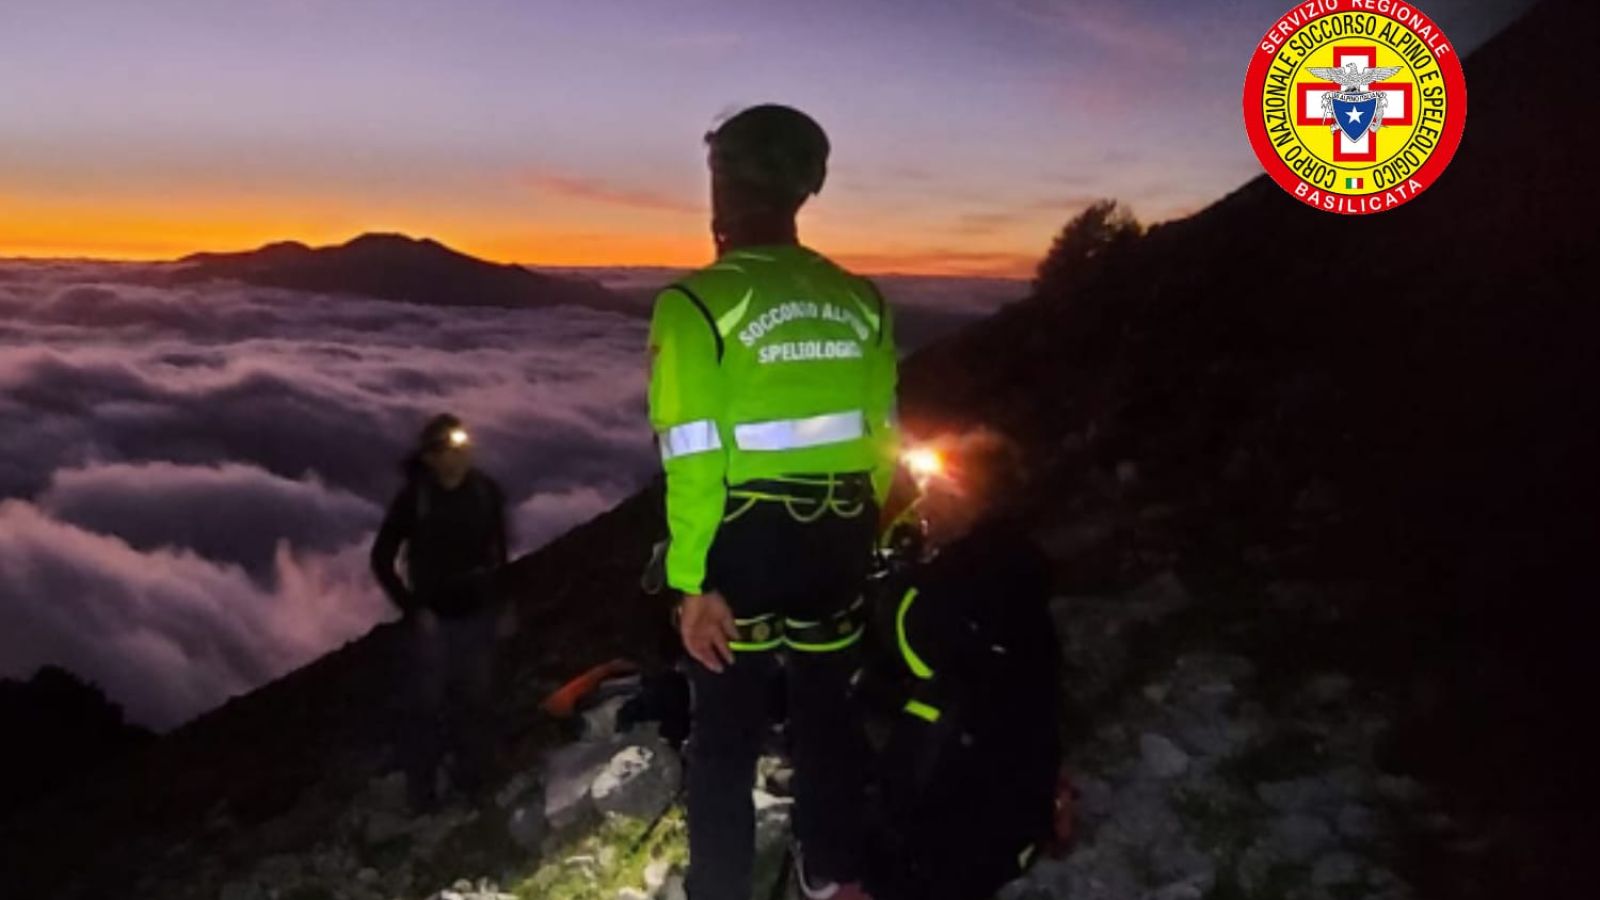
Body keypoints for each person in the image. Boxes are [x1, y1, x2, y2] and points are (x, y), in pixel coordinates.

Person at [648, 104, 900, 900]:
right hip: (841, 534)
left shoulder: (696, 304)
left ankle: (720, 889)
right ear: (802, 190)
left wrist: (692, 583)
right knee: (828, 717)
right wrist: (860, 534)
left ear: (722, 186)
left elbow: (692, 456)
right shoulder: (862, 300)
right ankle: (834, 873)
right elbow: (884, 441)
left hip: (744, 542)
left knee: (725, 736)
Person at [867, 434, 1062, 900]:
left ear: (973, 500)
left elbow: (913, 644)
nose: (923, 503)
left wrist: (902, 574)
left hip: (964, 801)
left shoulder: (973, 569)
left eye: (938, 491)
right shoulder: (1011, 559)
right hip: (1010, 786)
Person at [370, 413, 511, 810]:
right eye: (449, 449)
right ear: (430, 457)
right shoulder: (414, 499)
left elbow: (499, 553)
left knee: (475, 701)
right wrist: (414, 610)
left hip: (477, 614)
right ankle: (424, 793)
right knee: (427, 707)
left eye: (462, 447)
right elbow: (381, 558)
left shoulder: (485, 492)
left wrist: (502, 604)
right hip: (434, 620)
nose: (459, 456)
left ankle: (472, 782)